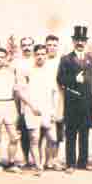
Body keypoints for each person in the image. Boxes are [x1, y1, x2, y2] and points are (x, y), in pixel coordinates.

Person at [57, 26, 92, 173]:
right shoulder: (66, 59)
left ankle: (83, 162)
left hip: (87, 103)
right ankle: (70, 164)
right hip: (72, 102)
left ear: (86, 42)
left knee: (85, 133)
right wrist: (74, 79)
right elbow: (60, 79)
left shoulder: (91, 60)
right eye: (77, 40)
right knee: (71, 133)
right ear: (73, 41)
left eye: (82, 40)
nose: (80, 43)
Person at [18, 44, 61, 176]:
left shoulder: (50, 72)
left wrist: (54, 110)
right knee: (34, 139)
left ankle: (49, 161)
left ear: (46, 55)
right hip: (32, 109)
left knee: (53, 138)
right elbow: (21, 92)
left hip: (47, 109)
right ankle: (38, 166)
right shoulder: (27, 71)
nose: (40, 56)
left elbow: (55, 93)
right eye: (38, 54)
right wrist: (31, 107)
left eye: (43, 54)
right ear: (34, 55)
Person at [43, 35, 65, 167]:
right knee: (47, 131)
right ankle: (46, 159)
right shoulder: (42, 61)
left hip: (60, 99)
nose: (51, 47)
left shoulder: (62, 61)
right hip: (45, 100)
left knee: (58, 131)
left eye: (54, 45)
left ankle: (55, 159)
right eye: (49, 45)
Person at [13, 36, 35, 168]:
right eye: (24, 45)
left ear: (33, 45)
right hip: (21, 100)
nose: (27, 47)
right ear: (21, 47)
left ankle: (37, 159)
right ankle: (26, 158)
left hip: (36, 100)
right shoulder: (17, 63)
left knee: (37, 132)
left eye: (29, 45)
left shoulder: (37, 59)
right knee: (24, 131)